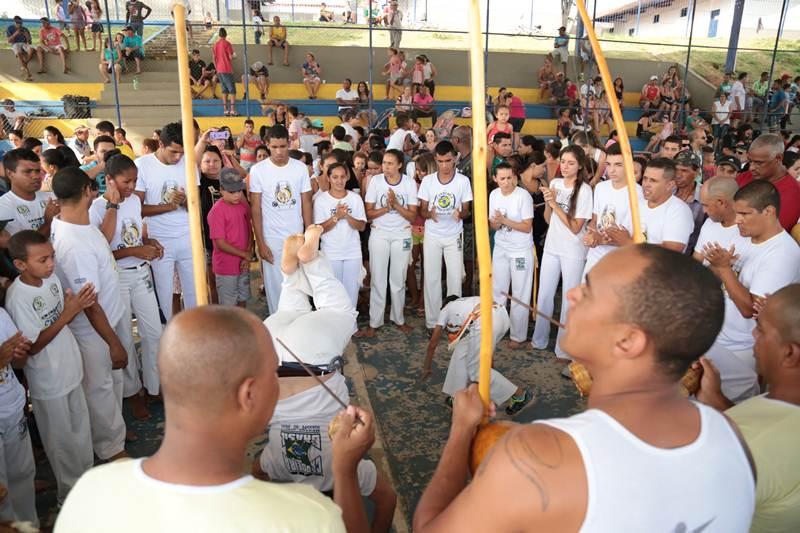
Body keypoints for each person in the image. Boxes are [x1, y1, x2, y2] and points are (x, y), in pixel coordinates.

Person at [413, 245, 756, 533]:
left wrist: (460, 432)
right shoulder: (731, 432)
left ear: (628, 340)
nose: (572, 293)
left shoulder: (537, 455)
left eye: (588, 291)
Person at [55, 304, 376, 533]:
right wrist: (345, 471)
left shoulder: (90, 490)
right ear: (248, 395)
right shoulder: (309, 516)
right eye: (273, 372)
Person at [254, 229, 396, 533]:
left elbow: (387, 501)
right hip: (270, 352)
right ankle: (291, 273)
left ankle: (312, 261)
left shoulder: (351, 470)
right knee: (290, 311)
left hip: (312, 358)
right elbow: (254, 474)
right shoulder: (276, 462)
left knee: (341, 312)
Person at [695, 284, 800, 533]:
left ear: (789, 353)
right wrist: (717, 400)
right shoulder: (782, 409)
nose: (753, 335)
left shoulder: (753, 447)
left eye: (761, 330)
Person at [6, 230, 94, 505]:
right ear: (20, 264)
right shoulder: (18, 296)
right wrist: (69, 312)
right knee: (60, 443)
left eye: (52, 257)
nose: (51, 264)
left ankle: (87, 482)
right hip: (48, 381)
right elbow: (33, 346)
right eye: (42, 260)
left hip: (69, 367)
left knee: (80, 430)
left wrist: (70, 308)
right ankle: (69, 497)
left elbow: (59, 318)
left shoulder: (51, 279)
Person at [51, 167, 128, 462]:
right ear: (87, 191)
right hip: (95, 329)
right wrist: (113, 341)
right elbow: (90, 303)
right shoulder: (73, 244)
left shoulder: (77, 224)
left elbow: (102, 241)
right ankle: (111, 448)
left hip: (109, 317)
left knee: (111, 383)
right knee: (100, 387)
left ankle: (115, 432)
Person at [700, 180, 800, 403]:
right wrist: (717, 265)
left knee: (733, 408)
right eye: (737, 213)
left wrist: (724, 269)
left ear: (769, 212)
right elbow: (722, 274)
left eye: (745, 214)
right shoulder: (747, 238)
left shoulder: (781, 254)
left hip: (745, 347)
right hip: (723, 335)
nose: (738, 220)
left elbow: (750, 309)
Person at [89, 154, 163, 410]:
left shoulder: (133, 201)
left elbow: (136, 234)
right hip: (116, 277)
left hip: (141, 272)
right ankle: (133, 392)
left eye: (134, 181)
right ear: (109, 180)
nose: (131, 187)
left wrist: (149, 244)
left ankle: (154, 385)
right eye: (125, 181)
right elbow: (101, 250)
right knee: (125, 336)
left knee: (154, 331)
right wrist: (133, 251)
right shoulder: (98, 208)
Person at [423, 292, 532, 414]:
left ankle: (520, 395)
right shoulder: (467, 303)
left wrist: (426, 367)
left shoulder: (446, 310)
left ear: (444, 305)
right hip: (502, 317)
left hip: (485, 321)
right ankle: (458, 397)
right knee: (461, 350)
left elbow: (433, 344)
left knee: (476, 371)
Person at [531, 145, 592, 360]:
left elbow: (576, 227)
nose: (565, 166)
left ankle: (564, 347)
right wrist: (549, 203)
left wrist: (555, 204)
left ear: (580, 165)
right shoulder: (555, 183)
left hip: (573, 250)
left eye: (571, 163)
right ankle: (539, 340)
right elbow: (548, 219)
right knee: (545, 294)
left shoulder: (584, 190)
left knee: (569, 298)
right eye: (563, 161)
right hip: (552, 245)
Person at [135, 122, 198, 321]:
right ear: (160, 144)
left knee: (194, 294)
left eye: (182, 152)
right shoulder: (142, 165)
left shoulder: (188, 163)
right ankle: (169, 338)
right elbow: (136, 208)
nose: (178, 157)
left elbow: (195, 207)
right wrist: (169, 206)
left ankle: (194, 336)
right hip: (160, 240)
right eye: (173, 152)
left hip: (189, 237)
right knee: (164, 294)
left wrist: (185, 202)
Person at [250, 125, 312, 315]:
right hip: (271, 237)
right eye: (274, 147)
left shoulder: (300, 168)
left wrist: (309, 237)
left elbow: (306, 204)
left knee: (299, 284)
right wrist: (260, 242)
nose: (279, 151)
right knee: (275, 287)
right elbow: (256, 209)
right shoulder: (258, 170)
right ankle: (278, 329)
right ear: (267, 145)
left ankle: (298, 325)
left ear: (289, 143)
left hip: (297, 236)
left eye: (283, 146)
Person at [359, 149, 418, 337]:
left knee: (398, 279)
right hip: (380, 234)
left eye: (390, 163)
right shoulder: (375, 182)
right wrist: (387, 207)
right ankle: (375, 321)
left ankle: (398, 318)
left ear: (400, 164)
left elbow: (411, 215)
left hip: (402, 234)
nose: (386, 167)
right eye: (384, 163)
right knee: (378, 278)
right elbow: (368, 213)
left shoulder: (409, 184)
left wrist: (396, 205)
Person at [418, 141, 473, 330]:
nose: (444, 166)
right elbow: (422, 210)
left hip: (453, 235)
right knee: (431, 278)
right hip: (433, 234)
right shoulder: (428, 181)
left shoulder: (463, 181)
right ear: (436, 160)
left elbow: (467, 210)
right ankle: (432, 322)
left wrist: (461, 214)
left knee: (455, 279)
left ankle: (454, 322)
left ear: (455, 159)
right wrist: (429, 214)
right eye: (440, 161)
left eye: (448, 161)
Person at [606, 157, 694, 252]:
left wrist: (628, 243)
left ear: (670, 185)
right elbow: (622, 236)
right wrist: (599, 238)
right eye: (645, 179)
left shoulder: (679, 211)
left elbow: (672, 251)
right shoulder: (638, 203)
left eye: (653, 180)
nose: (646, 184)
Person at [489, 163, 534, 347]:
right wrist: (498, 223)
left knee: (519, 293)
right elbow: (493, 225)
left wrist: (504, 220)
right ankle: (496, 327)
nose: (506, 182)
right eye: (502, 179)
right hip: (501, 247)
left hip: (520, 250)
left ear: (514, 177)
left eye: (509, 178)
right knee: (498, 290)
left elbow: (526, 226)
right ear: (495, 179)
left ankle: (518, 336)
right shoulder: (494, 195)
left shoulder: (523, 196)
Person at [582, 142, 644, 277]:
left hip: (621, 258)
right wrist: (591, 235)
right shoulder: (600, 188)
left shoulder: (639, 194)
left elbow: (634, 236)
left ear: (629, 164)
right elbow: (595, 220)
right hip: (596, 255)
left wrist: (602, 239)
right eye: (608, 164)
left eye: (618, 165)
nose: (611, 170)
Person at [0, 307, 36, 526]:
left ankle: (29, 526)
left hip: (12, 406)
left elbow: (18, 365)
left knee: (22, 475)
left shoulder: (2, 315)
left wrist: (19, 355)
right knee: (2, 490)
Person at [313, 163, 367, 307]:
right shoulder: (321, 200)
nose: (339, 181)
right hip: (331, 253)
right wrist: (336, 217)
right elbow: (319, 229)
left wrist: (347, 216)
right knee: (333, 296)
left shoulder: (355, 198)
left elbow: (361, 226)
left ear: (347, 177)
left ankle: (351, 328)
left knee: (351, 295)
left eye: (342, 177)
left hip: (352, 252)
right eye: (335, 177)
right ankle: (336, 328)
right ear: (329, 178)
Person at [207, 169, 252, 307]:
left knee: (243, 298)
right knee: (229, 306)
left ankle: (242, 328)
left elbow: (249, 230)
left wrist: (247, 255)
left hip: (243, 262)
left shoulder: (242, 206)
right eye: (232, 192)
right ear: (221, 189)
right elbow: (220, 243)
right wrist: (244, 254)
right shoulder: (217, 211)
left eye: (239, 190)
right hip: (226, 267)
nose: (237, 195)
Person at [737, 133, 800, 231]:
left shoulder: (793, 193)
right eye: (750, 161)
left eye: (759, 163)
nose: (751, 168)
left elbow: (771, 231)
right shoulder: (745, 176)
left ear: (778, 158)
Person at [0, 149, 58, 237]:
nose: (36, 176)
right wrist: (48, 223)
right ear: (10, 174)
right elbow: (21, 247)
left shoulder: (52, 198)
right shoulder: (3, 206)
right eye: (27, 172)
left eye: (38, 171)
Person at [673, 150, 705, 253]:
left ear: (696, 172)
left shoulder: (705, 197)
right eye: (675, 169)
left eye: (684, 170)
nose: (678, 175)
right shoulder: (667, 191)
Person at [212, 28, 237, 116]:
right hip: (227, 69)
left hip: (219, 70)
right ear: (225, 35)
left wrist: (217, 68)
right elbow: (230, 57)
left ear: (219, 35)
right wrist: (234, 56)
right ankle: (233, 110)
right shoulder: (227, 44)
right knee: (232, 90)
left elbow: (214, 58)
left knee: (224, 90)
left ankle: (225, 110)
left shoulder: (215, 45)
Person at [6, 16, 39, 81]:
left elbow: (29, 42)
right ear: (14, 22)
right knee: (19, 53)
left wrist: (27, 36)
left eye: (20, 23)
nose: (19, 24)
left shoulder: (25, 29)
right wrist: (15, 34)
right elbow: (9, 41)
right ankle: (28, 73)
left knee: (31, 49)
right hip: (15, 43)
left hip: (24, 43)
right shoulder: (10, 28)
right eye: (17, 23)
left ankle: (24, 65)